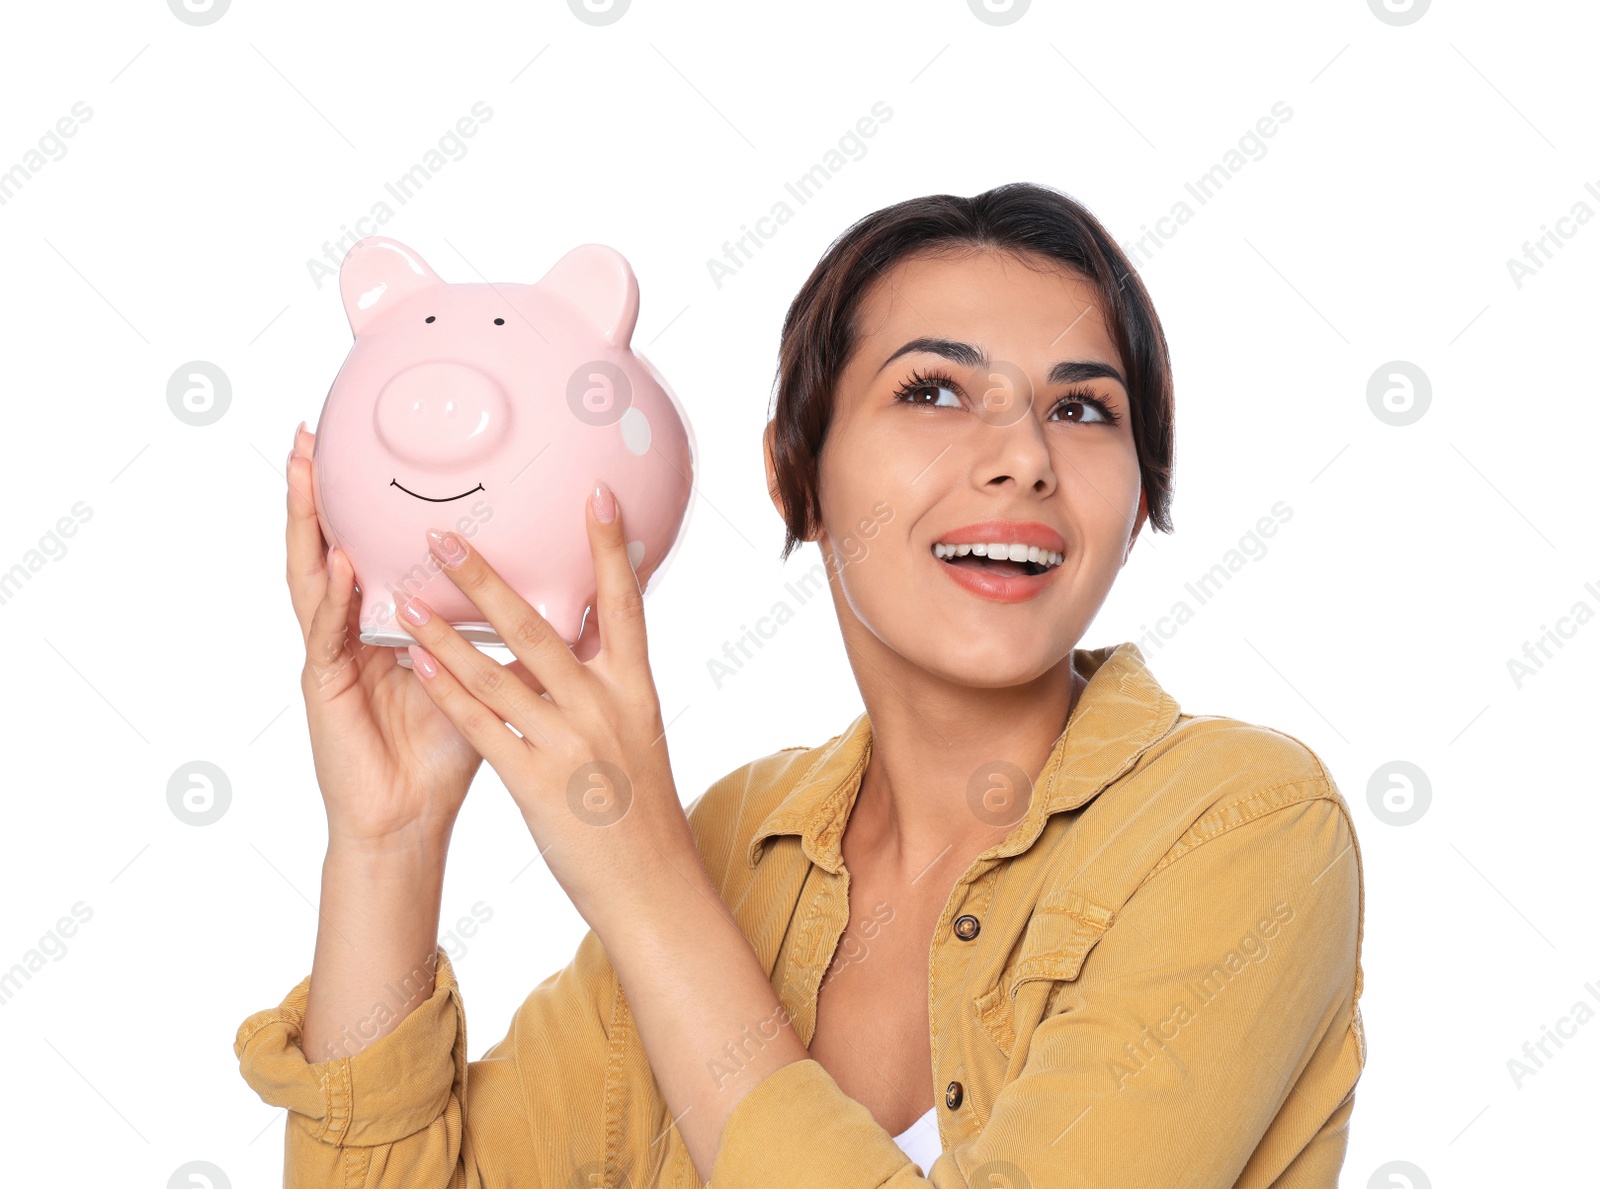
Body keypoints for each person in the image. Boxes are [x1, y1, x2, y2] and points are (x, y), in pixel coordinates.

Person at [235, 182, 1365, 1187]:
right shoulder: (738, 842)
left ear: (1136, 498)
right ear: (795, 476)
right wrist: (388, 841)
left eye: (1082, 408)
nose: (1023, 455)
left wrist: (642, 878)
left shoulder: (1244, 825)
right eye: (933, 391)